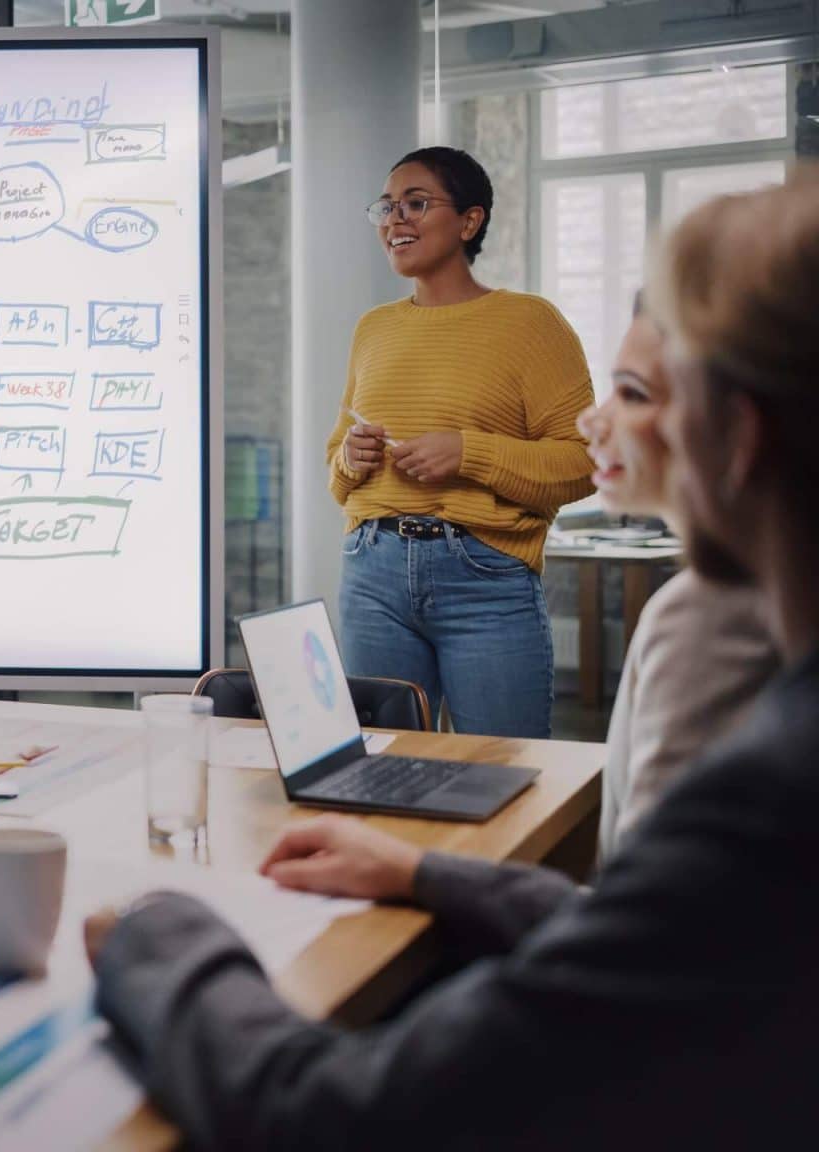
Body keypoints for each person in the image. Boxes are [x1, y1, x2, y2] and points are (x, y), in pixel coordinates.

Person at [85, 172, 819, 1149]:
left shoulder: (769, 794)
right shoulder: (772, 773)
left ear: (737, 440)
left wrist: (154, 932)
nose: (607, 422)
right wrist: (429, 874)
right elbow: (661, 927)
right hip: (375, 562)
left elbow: (334, 1115)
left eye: (645, 392)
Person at [331, 146, 595, 738]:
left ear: (470, 221)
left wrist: (468, 453)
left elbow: (584, 462)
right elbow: (336, 466)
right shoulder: (372, 328)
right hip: (371, 572)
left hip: (486, 578)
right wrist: (350, 457)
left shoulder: (531, 324)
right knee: (382, 770)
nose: (395, 220)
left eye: (416, 204)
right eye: (387, 207)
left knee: (504, 774)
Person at [577, 297, 776, 857]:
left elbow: (649, 923)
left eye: (632, 393)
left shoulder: (710, 614)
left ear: (737, 427)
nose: (591, 420)